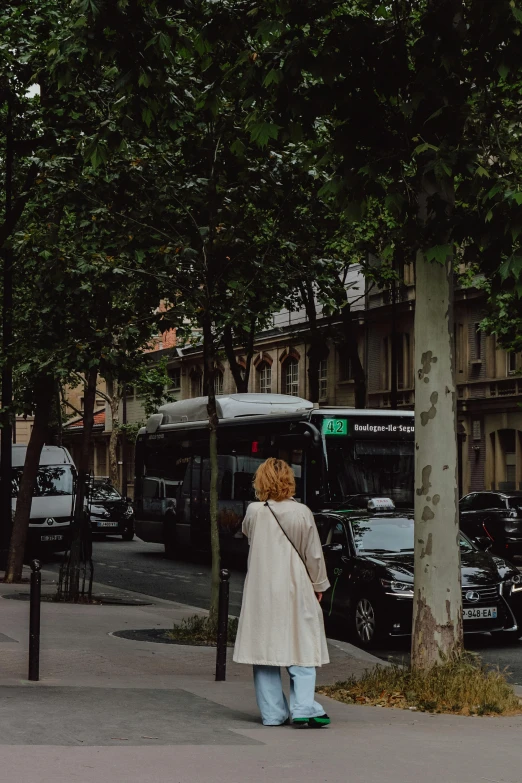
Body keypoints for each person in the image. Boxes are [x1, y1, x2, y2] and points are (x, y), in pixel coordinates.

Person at [233, 457, 331, 727]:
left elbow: (248, 533)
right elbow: (313, 555)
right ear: (290, 480)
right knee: (302, 646)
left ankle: (273, 714)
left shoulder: (254, 511)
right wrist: (319, 585)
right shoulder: (302, 512)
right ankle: (303, 707)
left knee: (265, 651)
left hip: (262, 590)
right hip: (296, 586)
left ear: (260, 481)